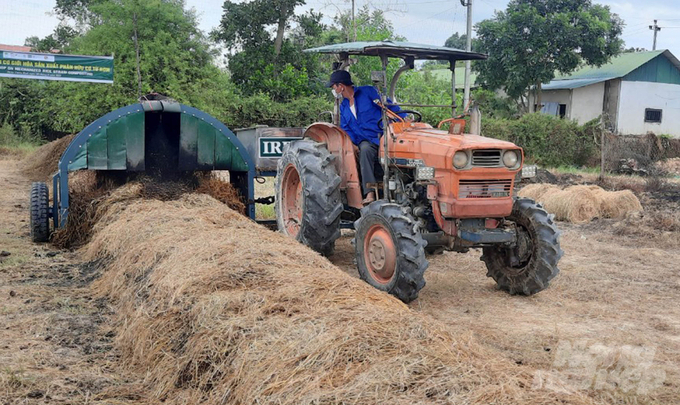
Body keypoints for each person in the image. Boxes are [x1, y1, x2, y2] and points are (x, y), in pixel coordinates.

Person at [326, 70, 403, 205]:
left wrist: (403, 119)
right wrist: (354, 143)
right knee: (365, 149)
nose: (334, 90)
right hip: (366, 141)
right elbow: (346, 129)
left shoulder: (368, 92)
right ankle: (370, 193)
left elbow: (388, 106)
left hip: (384, 135)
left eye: (334, 87)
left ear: (341, 86)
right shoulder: (343, 106)